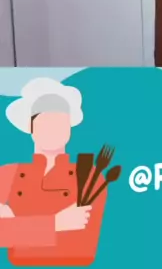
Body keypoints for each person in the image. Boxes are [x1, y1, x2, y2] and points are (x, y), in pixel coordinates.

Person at [0, 77, 106, 266]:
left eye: (59, 123)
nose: (52, 129)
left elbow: (82, 247)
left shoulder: (90, 176)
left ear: (69, 129)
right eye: (45, 122)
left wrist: (17, 227)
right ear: (31, 128)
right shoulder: (7, 174)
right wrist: (57, 223)